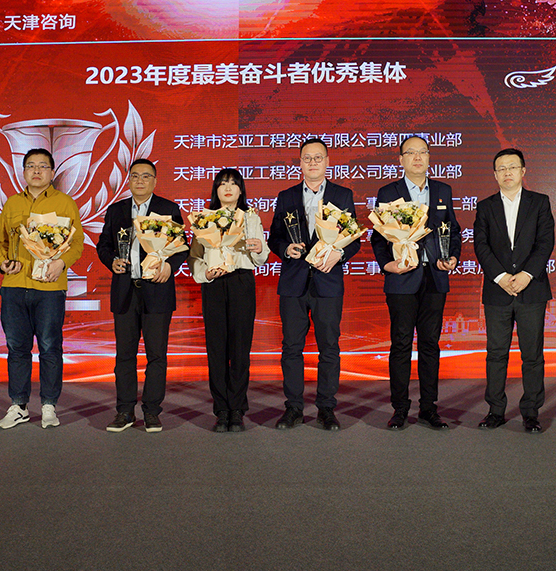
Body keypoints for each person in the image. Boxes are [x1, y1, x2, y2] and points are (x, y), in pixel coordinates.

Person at [267, 138, 361, 431]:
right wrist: (285, 249)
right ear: (300, 163)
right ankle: (293, 407)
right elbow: (274, 237)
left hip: (327, 282)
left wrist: (339, 254)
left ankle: (326, 408)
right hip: (294, 283)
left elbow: (354, 239)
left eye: (318, 158)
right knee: (291, 347)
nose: (312, 163)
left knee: (329, 347)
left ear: (327, 162)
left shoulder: (342, 195)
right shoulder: (286, 196)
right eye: (307, 158)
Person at [371, 135, 461, 430]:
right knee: (400, 344)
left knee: (430, 344)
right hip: (402, 279)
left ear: (430, 157)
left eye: (423, 152)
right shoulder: (389, 192)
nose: (418, 157)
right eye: (411, 153)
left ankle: (429, 408)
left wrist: (452, 257)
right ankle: (399, 409)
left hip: (434, 277)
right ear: (401, 159)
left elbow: (453, 231)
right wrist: (387, 265)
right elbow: (379, 236)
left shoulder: (443, 191)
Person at [0, 148, 84, 429]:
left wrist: (62, 263)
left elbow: (77, 244)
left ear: (52, 172)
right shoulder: (12, 204)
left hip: (50, 287)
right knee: (17, 348)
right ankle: (18, 405)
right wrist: (2, 263)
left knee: (49, 347)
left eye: (43, 166)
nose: (36, 171)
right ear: (23, 172)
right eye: (31, 165)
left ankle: (48, 406)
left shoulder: (65, 203)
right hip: (14, 286)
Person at [97, 158, 188, 433]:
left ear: (155, 181)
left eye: (146, 176)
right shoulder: (116, 211)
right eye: (135, 175)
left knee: (156, 355)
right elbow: (103, 245)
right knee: (124, 355)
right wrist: (111, 261)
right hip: (125, 291)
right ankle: (125, 411)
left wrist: (170, 266)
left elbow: (182, 246)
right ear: (128, 180)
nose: (140, 180)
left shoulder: (168, 209)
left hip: (157, 290)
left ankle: (151, 411)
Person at [473, 148, 555, 433]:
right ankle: (495, 411)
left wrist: (526, 275)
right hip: (498, 290)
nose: (507, 172)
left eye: (512, 167)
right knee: (496, 353)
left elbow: (545, 242)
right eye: (501, 168)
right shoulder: (485, 206)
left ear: (523, 171)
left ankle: (531, 413)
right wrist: (501, 277)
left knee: (532, 354)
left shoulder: (540, 202)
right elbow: (481, 245)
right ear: (495, 174)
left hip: (532, 290)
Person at [188, 168, 270, 433]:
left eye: (234, 184)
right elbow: (194, 257)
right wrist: (205, 273)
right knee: (217, 348)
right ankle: (221, 409)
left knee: (240, 348)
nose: (227, 188)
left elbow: (261, 256)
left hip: (241, 281)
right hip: (214, 284)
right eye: (222, 183)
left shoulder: (250, 217)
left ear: (240, 190)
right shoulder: (204, 218)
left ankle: (237, 408)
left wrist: (260, 248)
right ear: (216, 189)